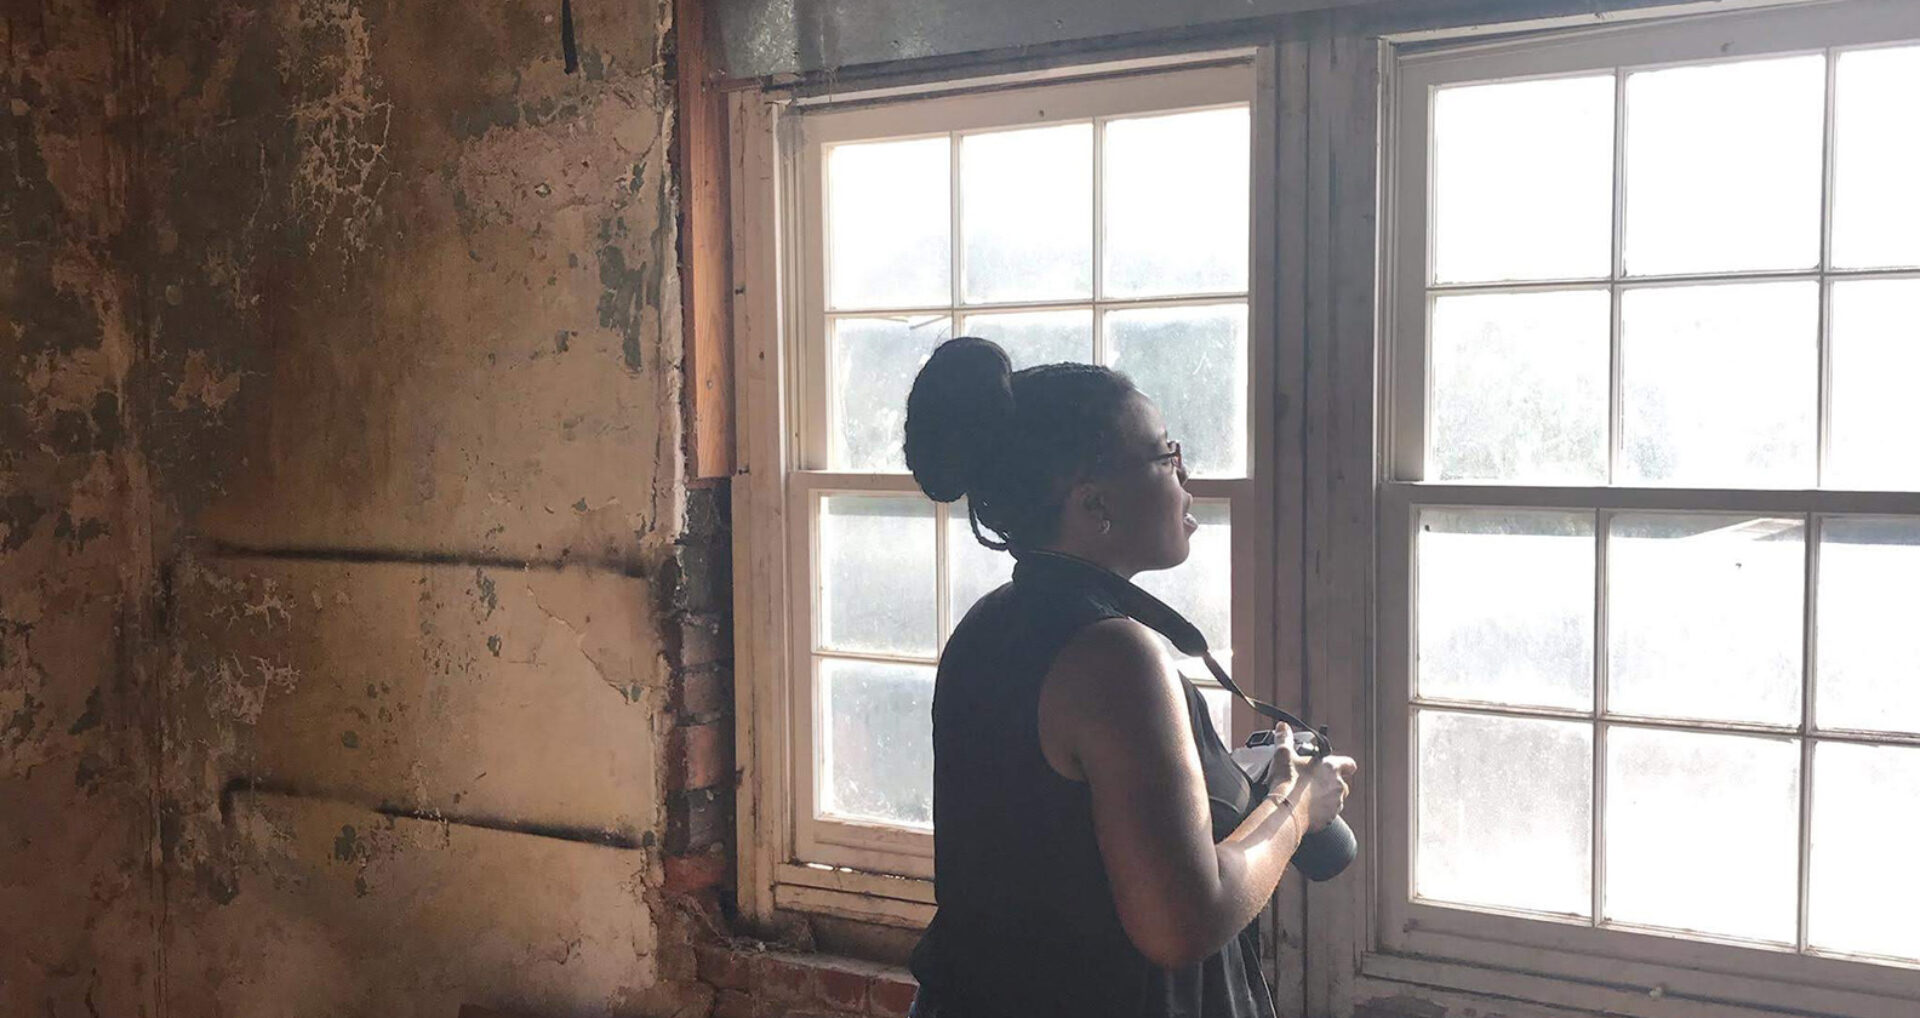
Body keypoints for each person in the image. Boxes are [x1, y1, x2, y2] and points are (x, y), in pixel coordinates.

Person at [901, 337, 1356, 1018]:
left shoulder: (988, 626)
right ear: (1093, 506)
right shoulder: (1113, 657)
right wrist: (1293, 806)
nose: (1185, 475)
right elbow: (1182, 924)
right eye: (1166, 454)